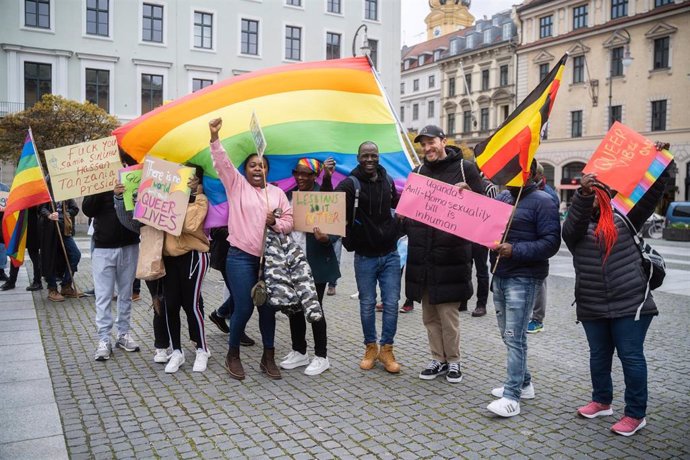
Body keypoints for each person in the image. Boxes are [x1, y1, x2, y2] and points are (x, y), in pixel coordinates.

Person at [562, 151, 671, 437]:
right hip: (592, 302)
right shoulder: (575, 228)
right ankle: (602, 401)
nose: (599, 192)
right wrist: (583, 194)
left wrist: (663, 163)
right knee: (599, 355)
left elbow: (651, 194)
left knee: (631, 357)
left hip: (631, 303)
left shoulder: (627, 217)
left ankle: (636, 414)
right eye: (593, 189)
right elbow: (571, 225)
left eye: (603, 188)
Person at [209, 117, 293, 381]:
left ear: (268, 170)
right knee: (244, 306)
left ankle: (268, 358)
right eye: (253, 165)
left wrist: (276, 222)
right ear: (246, 170)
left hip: (270, 260)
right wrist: (214, 138)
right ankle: (232, 354)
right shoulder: (237, 186)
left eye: (262, 166)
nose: (258, 169)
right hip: (240, 257)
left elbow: (290, 221)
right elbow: (222, 164)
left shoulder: (277, 193)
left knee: (268, 308)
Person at [405, 125, 484, 383]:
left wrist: (471, 195)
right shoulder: (417, 173)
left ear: (443, 141)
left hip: (451, 257)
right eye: (423, 145)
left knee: (449, 317)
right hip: (423, 257)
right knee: (429, 316)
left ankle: (454, 362)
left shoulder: (466, 168)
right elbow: (408, 214)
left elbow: (484, 210)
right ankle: (437, 358)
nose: (427, 148)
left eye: (431, 143)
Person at [487, 160, 561, 417]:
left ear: (526, 174)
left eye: (511, 172)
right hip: (500, 273)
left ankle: (512, 396)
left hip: (524, 276)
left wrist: (514, 250)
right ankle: (524, 383)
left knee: (514, 336)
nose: (505, 177)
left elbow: (551, 243)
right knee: (509, 335)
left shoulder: (544, 201)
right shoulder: (505, 196)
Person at [336, 141, 402, 374]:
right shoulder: (349, 184)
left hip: (391, 254)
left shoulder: (389, 181)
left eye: (373, 155)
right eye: (365, 155)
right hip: (365, 256)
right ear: (358, 157)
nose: (369, 159)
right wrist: (325, 177)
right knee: (367, 305)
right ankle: (370, 348)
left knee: (392, 303)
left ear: (378, 156)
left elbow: (401, 204)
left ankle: (387, 349)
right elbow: (329, 205)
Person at [281, 157, 339, 376]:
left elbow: (334, 227)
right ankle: (299, 350)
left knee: (315, 308)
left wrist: (326, 238)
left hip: (316, 263)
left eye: (306, 174)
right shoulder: (287, 197)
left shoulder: (323, 197)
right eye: (298, 172)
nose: (301, 177)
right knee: (294, 308)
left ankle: (322, 356)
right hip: (292, 263)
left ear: (315, 176)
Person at [160, 166, 211, 374]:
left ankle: (202, 349)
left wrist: (193, 194)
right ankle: (177, 352)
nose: (187, 182)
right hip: (169, 257)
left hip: (193, 256)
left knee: (191, 305)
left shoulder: (201, 199)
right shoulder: (164, 197)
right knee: (171, 305)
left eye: (192, 179)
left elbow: (190, 224)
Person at [113, 182, 171, 364]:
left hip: (179, 253)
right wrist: (120, 198)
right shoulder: (139, 186)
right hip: (152, 255)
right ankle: (161, 347)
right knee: (159, 302)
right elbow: (130, 221)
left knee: (188, 301)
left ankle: (197, 342)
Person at [83, 186, 140, 361]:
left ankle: (123, 334)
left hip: (129, 243)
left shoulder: (131, 176)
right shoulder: (98, 180)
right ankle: (104, 338)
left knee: (126, 294)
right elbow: (87, 209)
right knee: (103, 296)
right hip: (103, 247)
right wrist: (103, 191)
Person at [206, 226, 256, 347]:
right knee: (239, 294)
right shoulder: (221, 207)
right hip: (227, 254)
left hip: (247, 252)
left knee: (243, 292)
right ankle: (237, 332)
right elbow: (215, 230)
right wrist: (239, 234)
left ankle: (220, 314)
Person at [527, 161, 560, 333]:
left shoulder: (548, 194)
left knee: (540, 282)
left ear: (538, 175)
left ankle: (537, 319)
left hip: (539, 243)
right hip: (528, 242)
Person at [467, 172, 499, 318]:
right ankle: (463, 299)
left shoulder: (489, 188)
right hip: (465, 233)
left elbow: (493, 212)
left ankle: (481, 304)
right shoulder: (465, 187)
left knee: (481, 270)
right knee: (464, 268)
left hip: (480, 235)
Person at [38, 197, 81, 302]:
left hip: (64, 229)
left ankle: (66, 285)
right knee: (50, 258)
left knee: (75, 254)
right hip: (49, 230)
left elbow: (74, 208)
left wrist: (64, 215)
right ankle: (52, 288)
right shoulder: (46, 189)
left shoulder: (65, 189)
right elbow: (41, 208)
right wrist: (50, 215)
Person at [1, 206, 42, 291]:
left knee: (34, 255)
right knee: (15, 253)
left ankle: (37, 282)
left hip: (32, 226)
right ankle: (12, 281)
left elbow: (39, 208)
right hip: (19, 225)